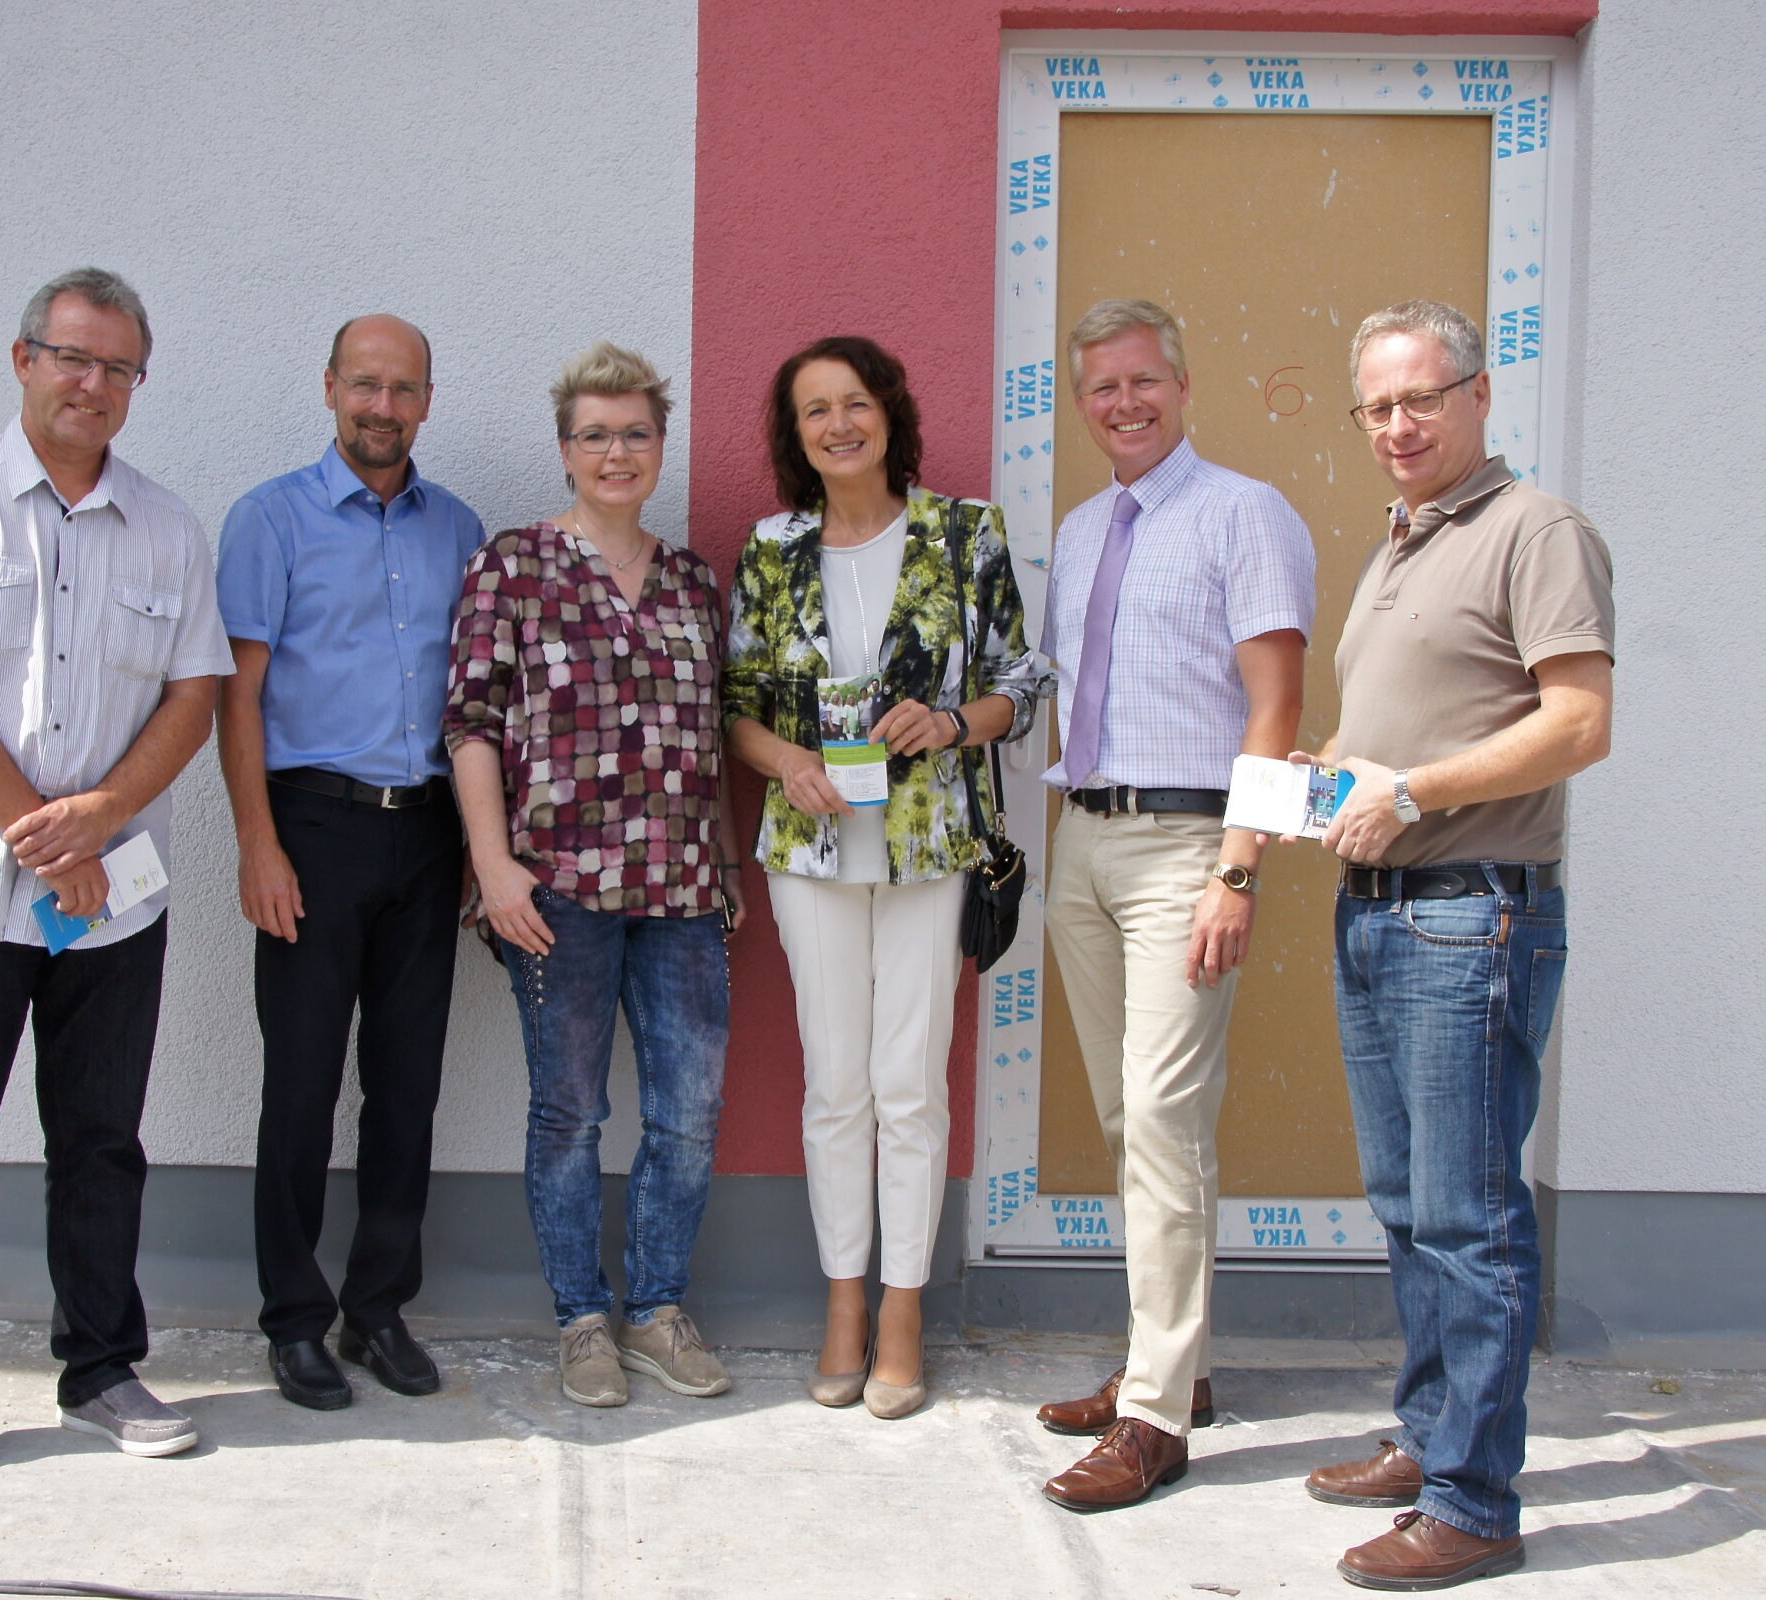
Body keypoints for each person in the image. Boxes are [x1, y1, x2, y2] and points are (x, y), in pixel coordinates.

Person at [0, 267, 233, 1499]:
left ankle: (103, 1368)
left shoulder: (168, 528)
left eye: (120, 367)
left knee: (100, 1143)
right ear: (23, 360)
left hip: (113, 897)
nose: (95, 384)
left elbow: (194, 696)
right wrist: (41, 831)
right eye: (74, 358)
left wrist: (107, 819)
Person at [1303, 300, 1613, 1590]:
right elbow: (1400, 729)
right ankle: (1433, 1439)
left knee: (1473, 1217)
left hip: (1466, 911)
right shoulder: (1397, 544)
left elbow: (1580, 720)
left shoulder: (1536, 529)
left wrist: (1416, 792)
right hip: (1378, 908)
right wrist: (1324, 776)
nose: (1397, 424)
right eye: (1375, 405)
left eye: (1421, 397)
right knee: (1407, 1204)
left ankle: (1476, 1501)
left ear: (1480, 395)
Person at [725, 335, 1039, 1419]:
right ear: (794, 433)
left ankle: (903, 1308)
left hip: (927, 841)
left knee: (909, 1079)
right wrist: (788, 761)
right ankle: (844, 1302)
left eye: (855, 403)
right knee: (834, 1082)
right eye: (815, 409)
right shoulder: (772, 548)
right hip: (810, 847)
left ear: (890, 414)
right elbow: (738, 706)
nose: (838, 425)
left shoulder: (965, 534)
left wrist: (954, 722)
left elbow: (1018, 682)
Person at [1034, 299, 1315, 1509]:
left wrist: (1239, 866)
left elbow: (1278, 704)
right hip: (1085, 842)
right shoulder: (1084, 527)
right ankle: (1176, 1363)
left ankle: (1154, 1416)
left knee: (1162, 1115)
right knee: (1126, 1114)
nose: (1124, 403)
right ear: (1083, 402)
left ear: (1183, 385)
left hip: (1189, 845)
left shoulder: (1244, 512)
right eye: (1102, 388)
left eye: (1143, 381)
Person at [447, 341, 737, 1409]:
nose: (618, 452)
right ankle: (581, 1318)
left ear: (662, 445)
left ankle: (658, 1308)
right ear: (565, 448)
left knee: (688, 1113)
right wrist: (494, 865)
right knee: (567, 1113)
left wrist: (723, 875)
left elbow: (713, 734)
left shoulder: (696, 582)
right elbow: (472, 723)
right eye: (595, 434)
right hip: (555, 890)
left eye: (637, 433)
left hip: (683, 892)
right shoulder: (513, 564)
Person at [216, 316, 486, 1411]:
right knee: (301, 1082)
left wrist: (480, 843)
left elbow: (480, 703)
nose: (383, 406)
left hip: (427, 832)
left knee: (406, 1088)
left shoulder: (459, 527)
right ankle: (292, 1318)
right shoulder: (268, 519)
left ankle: (377, 1307)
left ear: (428, 399)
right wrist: (256, 844)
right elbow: (237, 696)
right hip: (311, 831)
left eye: (404, 388)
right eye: (364, 385)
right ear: (330, 387)